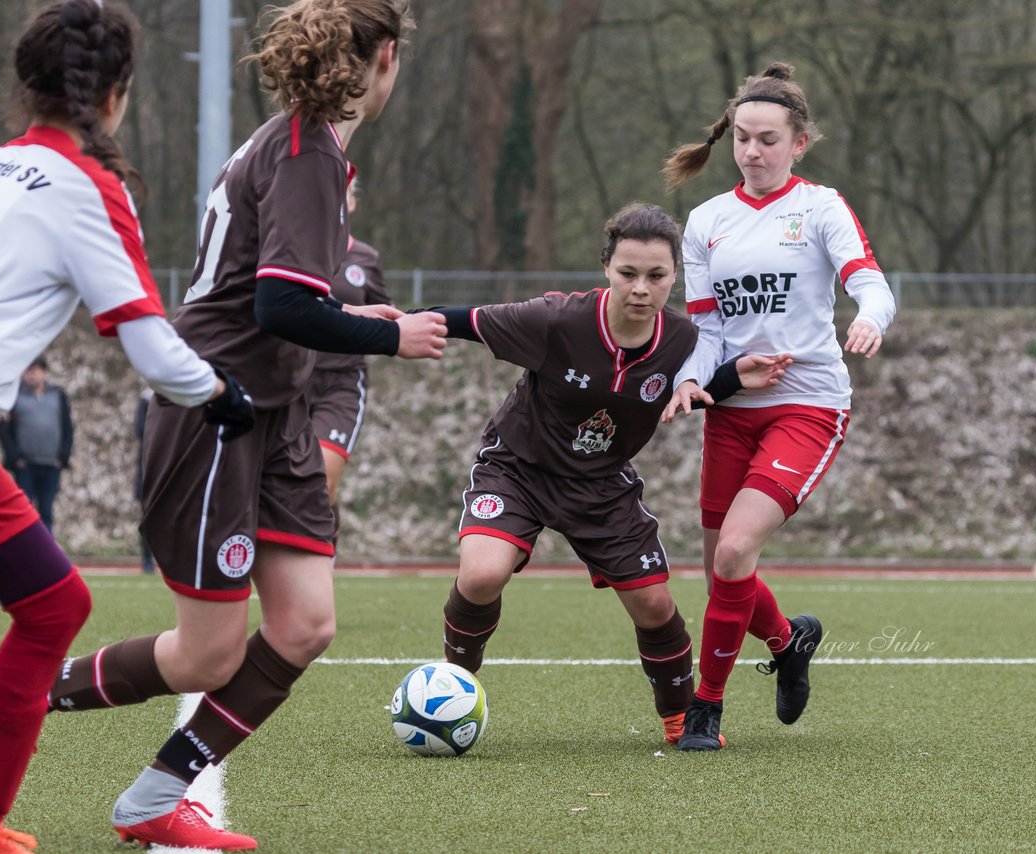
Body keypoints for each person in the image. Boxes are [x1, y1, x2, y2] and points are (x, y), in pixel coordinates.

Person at [44, 2, 445, 849]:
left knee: (304, 624)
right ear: (384, 60)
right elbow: (275, 303)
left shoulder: (303, 145)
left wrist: (355, 307)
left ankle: (154, 796)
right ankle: (33, 686)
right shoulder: (304, 153)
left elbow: (274, 291)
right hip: (218, 413)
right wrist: (387, 333)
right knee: (205, 656)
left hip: (279, 411)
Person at [0, 2, 254, 852]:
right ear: (117, 93)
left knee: (54, 604)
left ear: (24, 86)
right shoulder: (88, 186)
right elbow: (156, 353)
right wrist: (221, 393)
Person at [427, 202, 790, 745]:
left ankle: (678, 722)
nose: (641, 288)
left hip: (601, 487)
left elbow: (711, 384)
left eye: (656, 276)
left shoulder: (685, 343)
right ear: (606, 269)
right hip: (518, 470)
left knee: (653, 604)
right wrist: (390, 323)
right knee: (481, 574)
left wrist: (739, 376)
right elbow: (463, 321)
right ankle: (453, 687)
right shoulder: (556, 319)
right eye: (628, 273)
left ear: (674, 277)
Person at [660, 62, 896, 751]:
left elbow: (869, 282)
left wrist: (872, 319)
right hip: (733, 410)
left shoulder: (820, 207)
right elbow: (706, 330)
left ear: (800, 143)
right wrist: (689, 379)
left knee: (734, 550)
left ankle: (705, 710)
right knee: (721, 571)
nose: (752, 152)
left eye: (768, 139)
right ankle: (789, 642)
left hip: (809, 406)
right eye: (742, 138)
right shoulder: (706, 220)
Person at [309, 176, 392, 545]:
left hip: (341, 383)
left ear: (352, 203)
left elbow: (386, 315)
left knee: (322, 478)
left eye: (341, 196)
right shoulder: (290, 251)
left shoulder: (365, 259)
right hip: (289, 380)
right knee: (284, 481)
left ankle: (323, 557)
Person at [0, 355, 75, 533]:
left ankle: (47, 553)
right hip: (25, 464)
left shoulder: (57, 395)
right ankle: (25, 551)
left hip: (51, 464)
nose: (30, 375)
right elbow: (5, 430)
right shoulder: (15, 396)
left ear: (44, 372)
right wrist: (15, 458)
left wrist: (62, 457)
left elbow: (67, 427)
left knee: (46, 510)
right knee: (24, 509)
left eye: (34, 370)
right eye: (27, 371)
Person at [133, 386, 155, 573]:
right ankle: (147, 561)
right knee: (148, 519)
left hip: (174, 468)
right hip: (148, 468)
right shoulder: (146, 399)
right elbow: (140, 429)